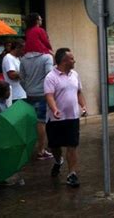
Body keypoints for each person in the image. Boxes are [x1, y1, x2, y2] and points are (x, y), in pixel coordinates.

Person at [44, 48, 86, 188]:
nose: (74, 61)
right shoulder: (51, 77)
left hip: (72, 118)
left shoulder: (75, 74)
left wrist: (83, 106)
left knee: (72, 146)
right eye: (72, 58)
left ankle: (72, 174)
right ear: (64, 61)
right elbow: (49, 96)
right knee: (55, 146)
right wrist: (55, 109)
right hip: (56, 119)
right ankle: (57, 161)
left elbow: (79, 92)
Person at [20, 42, 54, 160]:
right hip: (42, 94)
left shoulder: (24, 59)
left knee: (34, 122)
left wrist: (28, 89)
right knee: (41, 122)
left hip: (30, 94)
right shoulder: (47, 57)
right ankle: (41, 150)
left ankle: (33, 148)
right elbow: (50, 76)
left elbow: (22, 78)